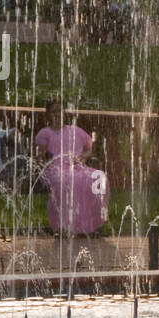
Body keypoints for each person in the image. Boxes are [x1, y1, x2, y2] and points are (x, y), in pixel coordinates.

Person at [34, 101, 109, 236]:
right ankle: (64, 226)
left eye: (60, 111)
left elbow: (90, 149)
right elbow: (40, 158)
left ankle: (91, 224)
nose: (58, 114)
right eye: (54, 111)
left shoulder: (76, 131)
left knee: (99, 177)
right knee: (69, 181)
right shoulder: (45, 133)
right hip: (55, 169)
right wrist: (47, 167)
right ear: (48, 115)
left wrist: (83, 157)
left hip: (78, 168)